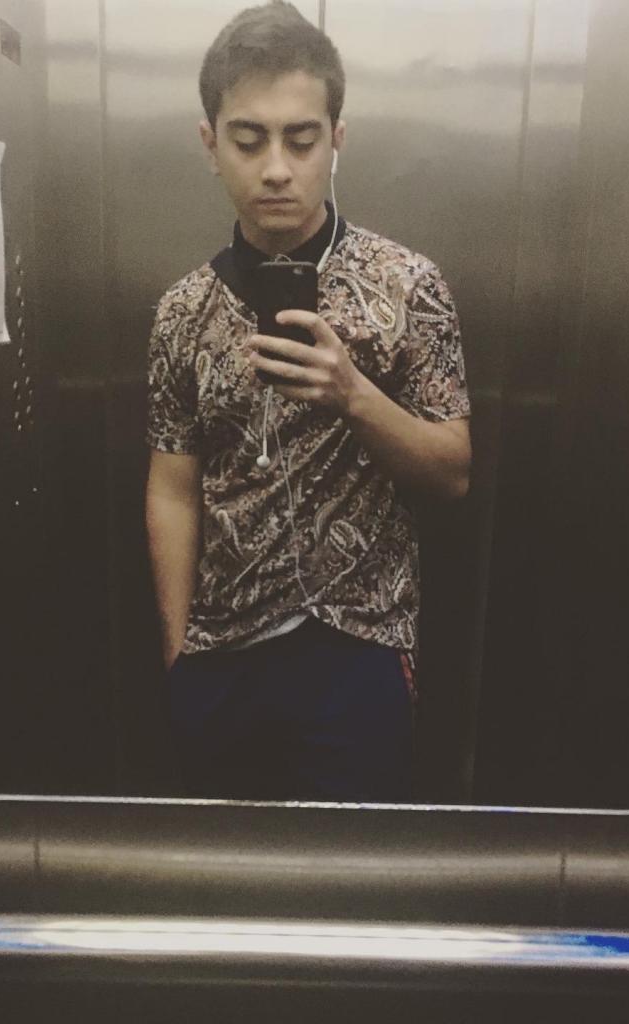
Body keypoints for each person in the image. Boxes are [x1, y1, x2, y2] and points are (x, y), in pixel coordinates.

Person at [145, 0, 471, 803]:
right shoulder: (181, 311)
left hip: (359, 650)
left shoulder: (409, 287)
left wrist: (353, 394)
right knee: (224, 866)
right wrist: (179, 654)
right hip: (220, 654)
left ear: (337, 140)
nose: (276, 169)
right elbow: (172, 488)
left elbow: (453, 472)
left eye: (301, 139)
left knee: (348, 869)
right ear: (210, 145)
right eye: (248, 139)